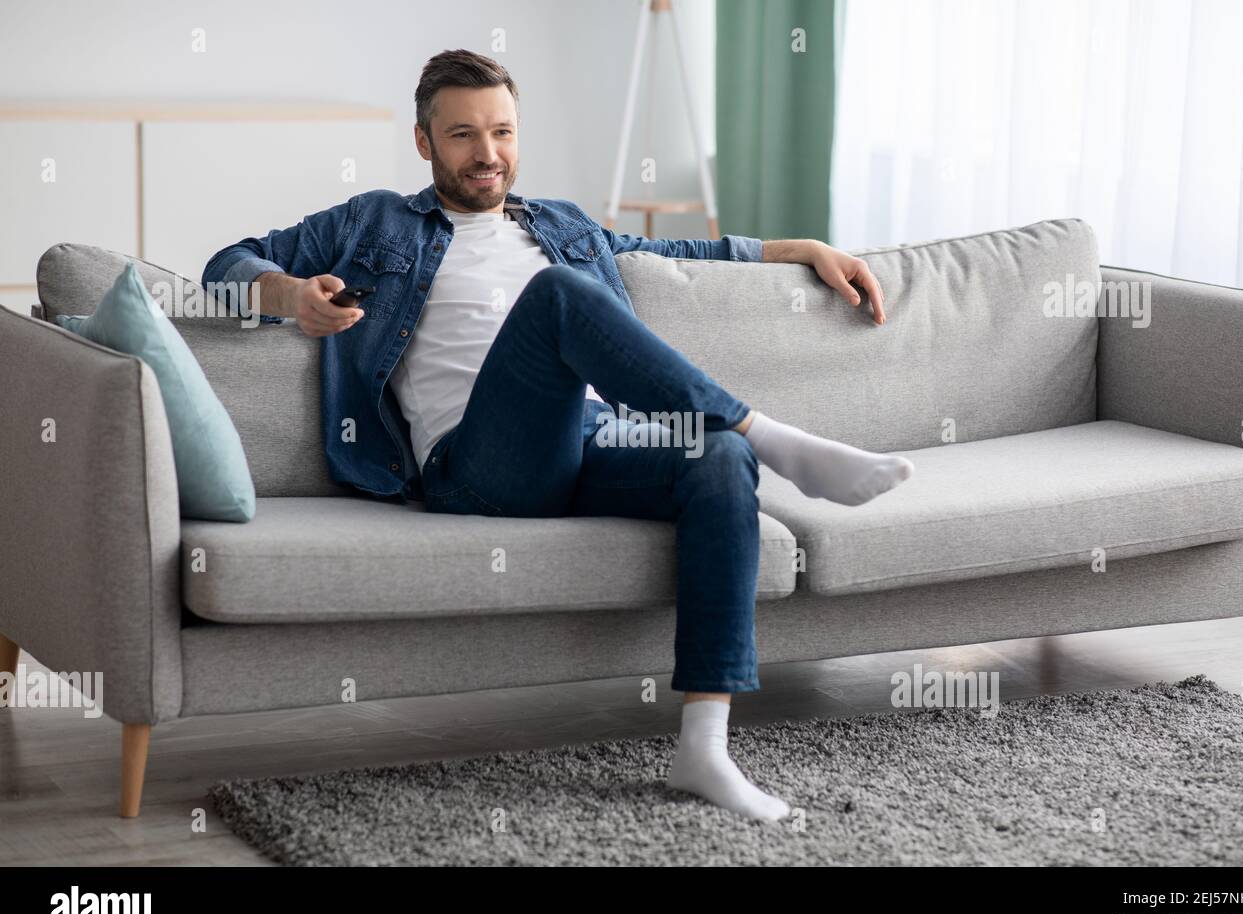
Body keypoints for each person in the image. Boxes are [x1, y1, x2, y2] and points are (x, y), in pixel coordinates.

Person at [202, 49, 914, 822]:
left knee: (719, 456)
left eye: (503, 131)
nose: (488, 154)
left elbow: (684, 254)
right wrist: (287, 294)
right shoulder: (372, 222)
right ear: (423, 142)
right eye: (464, 135)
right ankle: (774, 435)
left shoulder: (562, 226)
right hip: (475, 465)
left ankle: (704, 747)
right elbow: (223, 264)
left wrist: (802, 248)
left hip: (594, 441)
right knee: (557, 299)